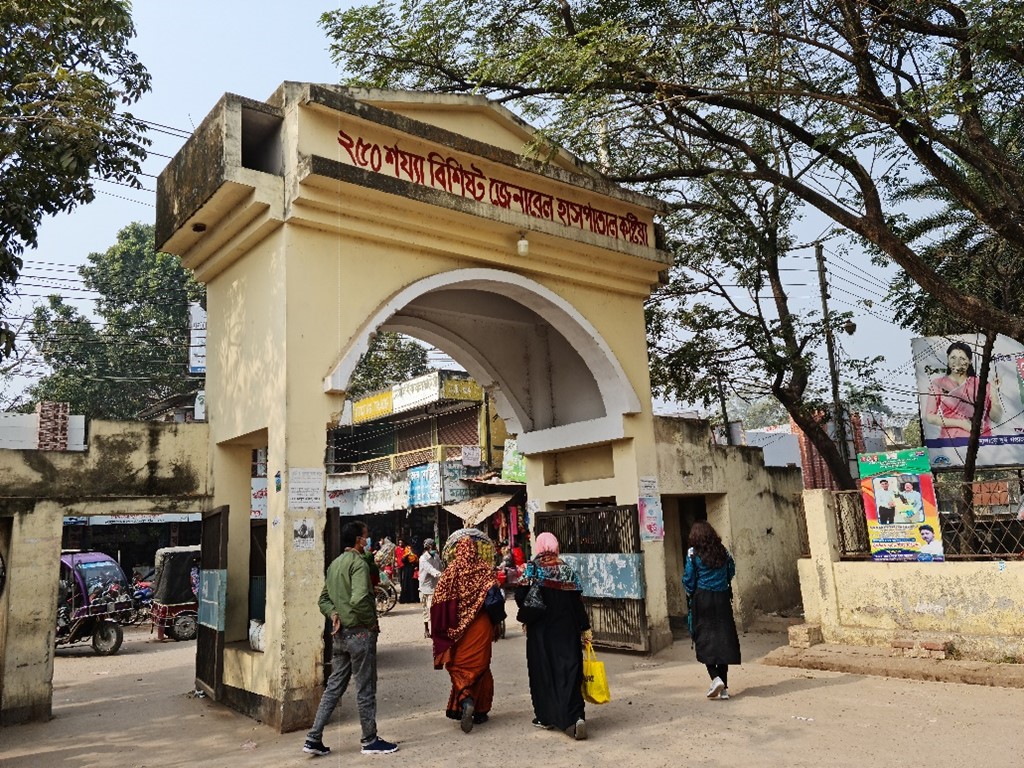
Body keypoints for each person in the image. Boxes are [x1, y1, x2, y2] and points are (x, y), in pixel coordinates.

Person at [303, 520, 398, 757]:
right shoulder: (358, 564)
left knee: (334, 686)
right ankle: (369, 739)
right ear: (358, 540)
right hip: (359, 633)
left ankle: (314, 737)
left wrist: (334, 615)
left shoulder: (334, 565)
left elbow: (323, 599)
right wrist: (371, 622)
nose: (367, 540)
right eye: (365, 537)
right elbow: (358, 599)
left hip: (340, 635)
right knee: (365, 687)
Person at [514, 531, 591, 740]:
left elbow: (520, 596)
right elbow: (577, 602)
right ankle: (575, 716)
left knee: (543, 672)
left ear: (538, 547)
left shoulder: (532, 568)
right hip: (567, 630)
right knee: (569, 671)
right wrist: (585, 627)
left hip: (541, 632)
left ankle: (545, 717)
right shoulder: (566, 569)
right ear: (556, 546)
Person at [430, 534, 503, 734]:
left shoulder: (450, 573)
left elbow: (438, 602)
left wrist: (441, 629)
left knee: (458, 666)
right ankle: (479, 711)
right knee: (481, 667)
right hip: (482, 626)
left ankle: (465, 700)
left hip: (456, 632)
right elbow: (496, 599)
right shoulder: (484, 570)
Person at [683, 521, 741, 701]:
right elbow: (731, 571)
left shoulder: (693, 554)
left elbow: (689, 579)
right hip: (722, 599)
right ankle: (724, 688)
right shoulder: (722, 551)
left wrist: (692, 593)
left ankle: (715, 678)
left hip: (703, 599)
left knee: (704, 639)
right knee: (723, 640)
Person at [924, 341, 1003, 441]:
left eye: (962, 358)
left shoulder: (981, 384)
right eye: (953, 358)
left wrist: (993, 391)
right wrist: (961, 423)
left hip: (983, 443)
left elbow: (996, 418)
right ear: (947, 359)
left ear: (969, 361)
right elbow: (930, 417)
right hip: (950, 443)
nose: (957, 362)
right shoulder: (938, 383)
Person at [418, 538, 442, 639]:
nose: (435, 548)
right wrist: (442, 575)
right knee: (426, 610)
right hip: (425, 587)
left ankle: (435, 630)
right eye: (432, 546)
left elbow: (441, 567)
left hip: (435, 587)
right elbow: (431, 570)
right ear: (428, 547)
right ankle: (426, 629)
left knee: (433, 610)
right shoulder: (423, 559)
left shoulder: (436, 557)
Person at [397, 539, 419, 604]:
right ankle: (407, 599)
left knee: (414, 584)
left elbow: (417, 559)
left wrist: (416, 565)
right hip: (407, 570)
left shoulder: (414, 552)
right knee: (406, 584)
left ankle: (414, 598)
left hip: (413, 570)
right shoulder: (406, 551)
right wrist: (407, 555)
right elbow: (403, 560)